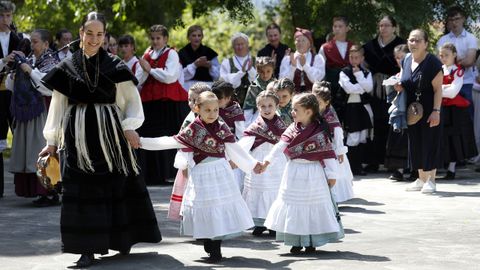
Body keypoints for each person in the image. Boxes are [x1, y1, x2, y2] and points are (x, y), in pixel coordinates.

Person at [40, 12, 161, 267]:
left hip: (110, 134)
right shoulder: (67, 66)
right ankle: (86, 248)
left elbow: (131, 101)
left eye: (100, 34)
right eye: (89, 33)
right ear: (81, 33)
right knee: (80, 188)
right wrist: (51, 141)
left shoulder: (116, 65)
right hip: (77, 135)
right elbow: (58, 106)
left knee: (116, 183)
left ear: (105, 36)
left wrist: (130, 126)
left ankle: (122, 238)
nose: (94, 39)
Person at [140, 91, 261, 263]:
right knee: (203, 207)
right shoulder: (193, 129)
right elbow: (171, 141)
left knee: (218, 205)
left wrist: (253, 165)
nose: (212, 114)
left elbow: (235, 149)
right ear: (197, 109)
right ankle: (208, 240)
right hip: (201, 174)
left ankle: (216, 247)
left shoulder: (222, 128)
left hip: (220, 172)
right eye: (208, 110)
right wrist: (142, 142)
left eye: (215, 110)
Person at [260, 93, 343, 254]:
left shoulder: (320, 131)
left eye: (296, 109)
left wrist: (332, 176)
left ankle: (311, 240)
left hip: (313, 173)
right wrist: (267, 161)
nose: (292, 112)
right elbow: (280, 146)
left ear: (309, 111)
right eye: (292, 109)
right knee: (294, 205)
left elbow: (328, 154)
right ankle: (296, 241)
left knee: (311, 205)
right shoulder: (292, 128)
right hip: (293, 171)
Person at [6, 29, 59, 206]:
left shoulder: (52, 61)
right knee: (28, 152)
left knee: (41, 149)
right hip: (26, 112)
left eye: (36, 42)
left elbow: (48, 87)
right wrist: (15, 73)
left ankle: (49, 192)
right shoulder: (28, 60)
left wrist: (29, 71)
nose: (32, 45)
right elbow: (10, 86)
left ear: (46, 44)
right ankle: (34, 191)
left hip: (42, 111)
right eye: (31, 42)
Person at [137, 24, 189, 185]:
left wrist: (150, 70)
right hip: (150, 102)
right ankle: (152, 174)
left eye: (158, 38)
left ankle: (170, 173)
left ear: (165, 39)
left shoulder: (171, 53)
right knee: (149, 136)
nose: (155, 41)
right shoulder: (147, 54)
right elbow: (139, 79)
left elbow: (170, 77)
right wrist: (146, 70)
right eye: (152, 38)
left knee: (168, 135)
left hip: (169, 102)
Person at [395, 29, 443, 194]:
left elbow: (438, 90)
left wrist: (436, 111)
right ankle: (420, 178)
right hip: (412, 109)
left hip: (429, 108)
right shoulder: (406, 60)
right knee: (414, 143)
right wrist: (397, 85)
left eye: (417, 40)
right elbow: (404, 81)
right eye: (411, 40)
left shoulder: (433, 63)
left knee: (429, 142)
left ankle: (431, 180)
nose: (413, 44)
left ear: (426, 44)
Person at [239, 90, 287, 236]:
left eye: (270, 106)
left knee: (275, 189)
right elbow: (245, 144)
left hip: (276, 160)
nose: (267, 109)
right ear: (258, 107)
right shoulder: (255, 126)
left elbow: (286, 143)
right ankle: (258, 222)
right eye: (263, 106)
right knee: (257, 188)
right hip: (258, 158)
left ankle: (274, 223)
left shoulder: (281, 124)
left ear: (277, 106)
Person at [362, 15, 406, 173]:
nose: (383, 29)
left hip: (395, 87)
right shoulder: (370, 46)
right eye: (381, 25)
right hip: (374, 88)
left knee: (392, 122)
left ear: (394, 27)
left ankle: (392, 161)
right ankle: (374, 160)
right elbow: (363, 64)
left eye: (387, 25)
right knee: (376, 124)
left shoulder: (401, 45)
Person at [168, 82, 211, 221]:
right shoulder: (190, 119)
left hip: (208, 163)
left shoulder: (212, 117)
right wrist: (184, 165)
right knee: (193, 193)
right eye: (189, 100)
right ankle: (194, 224)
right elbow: (183, 144)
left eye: (195, 100)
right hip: (191, 162)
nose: (192, 103)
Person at [438, 43, 477, 179]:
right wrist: (444, 88)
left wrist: (439, 90)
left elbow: (453, 92)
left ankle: (451, 169)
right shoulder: (439, 70)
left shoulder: (458, 71)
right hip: (441, 108)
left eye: (447, 55)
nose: (443, 58)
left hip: (455, 111)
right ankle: (439, 166)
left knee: (454, 138)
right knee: (441, 137)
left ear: (454, 55)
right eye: (441, 55)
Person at [0, 0, 26, 197]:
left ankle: (26, 187)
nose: (5, 19)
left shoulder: (19, 39)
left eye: (8, 15)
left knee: (21, 136)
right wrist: (3, 61)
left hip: (15, 95)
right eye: (1, 16)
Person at [313, 81, 354, 202]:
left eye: (319, 103)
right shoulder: (314, 115)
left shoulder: (330, 117)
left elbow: (338, 134)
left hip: (332, 150)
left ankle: (335, 198)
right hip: (319, 148)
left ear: (326, 103)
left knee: (335, 173)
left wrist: (340, 151)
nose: (316, 105)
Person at [436, 6, 478, 119]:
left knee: (467, 117)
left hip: (466, 83)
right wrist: (458, 60)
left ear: (463, 19)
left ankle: (470, 137)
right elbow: (439, 61)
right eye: (451, 20)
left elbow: (469, 61)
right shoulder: (442, 40)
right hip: (445, 83)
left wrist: (449, 61)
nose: (454, 22)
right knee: (445, 117)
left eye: (457, 19)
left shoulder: (471, 38)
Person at [338, 45, 374, 176]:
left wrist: (359, 76)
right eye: (351, 57)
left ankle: (358, 166)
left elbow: (369, 87)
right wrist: (361, 87)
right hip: (351, 108)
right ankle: (350, 167)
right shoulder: (344, 72)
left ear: (362, 58)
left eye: (357, 57)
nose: (354, 60)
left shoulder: (366, 72)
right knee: (352, 136)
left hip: (363, 108)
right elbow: (348, 88)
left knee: (362, 137)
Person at [384, 44, 414, 181]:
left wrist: (405, 88)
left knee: (412, 140)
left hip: (412, 110)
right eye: (396, 57)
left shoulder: (414, 72)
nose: (399, 60)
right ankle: (399, 170)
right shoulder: (396, 75)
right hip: (399, 112)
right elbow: (390, 97)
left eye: (402, 57)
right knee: (399, 139)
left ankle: (415, 170)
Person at [319, 16, 353, 122]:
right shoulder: (325, 47)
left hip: (350, 88)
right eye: (335, 26)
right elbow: (320, 71)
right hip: (332, 89)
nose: (337, 29)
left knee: (350, 118)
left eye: (340, 26)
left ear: (347, 28)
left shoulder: (353, 46)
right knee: (332, 119)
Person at [279, 28, 325, 93]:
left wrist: (305, 66)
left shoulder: (317, 58)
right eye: (297, 40)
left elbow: (317, 80)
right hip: (293, 96)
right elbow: (282, 81)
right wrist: (293, 67)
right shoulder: (287, 59)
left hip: (313, 95)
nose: (300, 43)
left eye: (303, 40)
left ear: (309, 43)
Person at [220, 32, 257, 107]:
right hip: (232, 104)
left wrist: (251, 71)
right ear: (233, 46)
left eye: (242, 44)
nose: (240, 47)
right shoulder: (227, 63)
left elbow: (258, 80)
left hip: (253, 103)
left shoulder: (256, 61)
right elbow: (224, 82)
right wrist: (241, 72)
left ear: (247, 45)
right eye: (237, 44)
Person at [178, 25, 220, 91]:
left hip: (206, 87)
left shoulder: (209, 52)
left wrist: (210, 66)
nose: (197, 38)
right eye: (194, 35)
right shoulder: (182, 53)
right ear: (188, 37)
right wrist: (195, 65)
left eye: (199, 35)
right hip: (187, 88)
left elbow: (217, 76)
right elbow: (180, 75)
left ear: (202, 37)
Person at [243, 56, 276, 126]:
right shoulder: (254, 87)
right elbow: (248, 109)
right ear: (257, 71)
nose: (265, 74)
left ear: (273, 70)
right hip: (259, 116)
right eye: (262, 72)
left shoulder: (277, 84)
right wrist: (248, 125)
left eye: (268, 71)